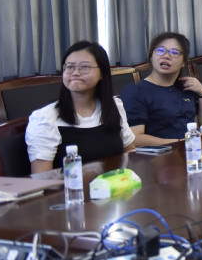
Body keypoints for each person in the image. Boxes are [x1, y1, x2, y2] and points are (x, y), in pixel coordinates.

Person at [26, 41, 136, 173]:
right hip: (70, 186)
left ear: (102, 73)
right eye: (69, 67)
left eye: (84, 67)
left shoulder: (114, 106)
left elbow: (129, 151)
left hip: (115, 184)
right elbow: (42, 178)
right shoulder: (45, 119)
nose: (75, 72)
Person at [120, 32, 202, 146]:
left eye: (175, 52)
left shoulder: (187, 87)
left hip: (191, 151)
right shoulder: (136, 92)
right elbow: (135, 139)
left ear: (184, 62)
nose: (166, 56)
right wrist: (181, 142)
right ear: (151, 56)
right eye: (160, 50)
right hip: (158, 155)